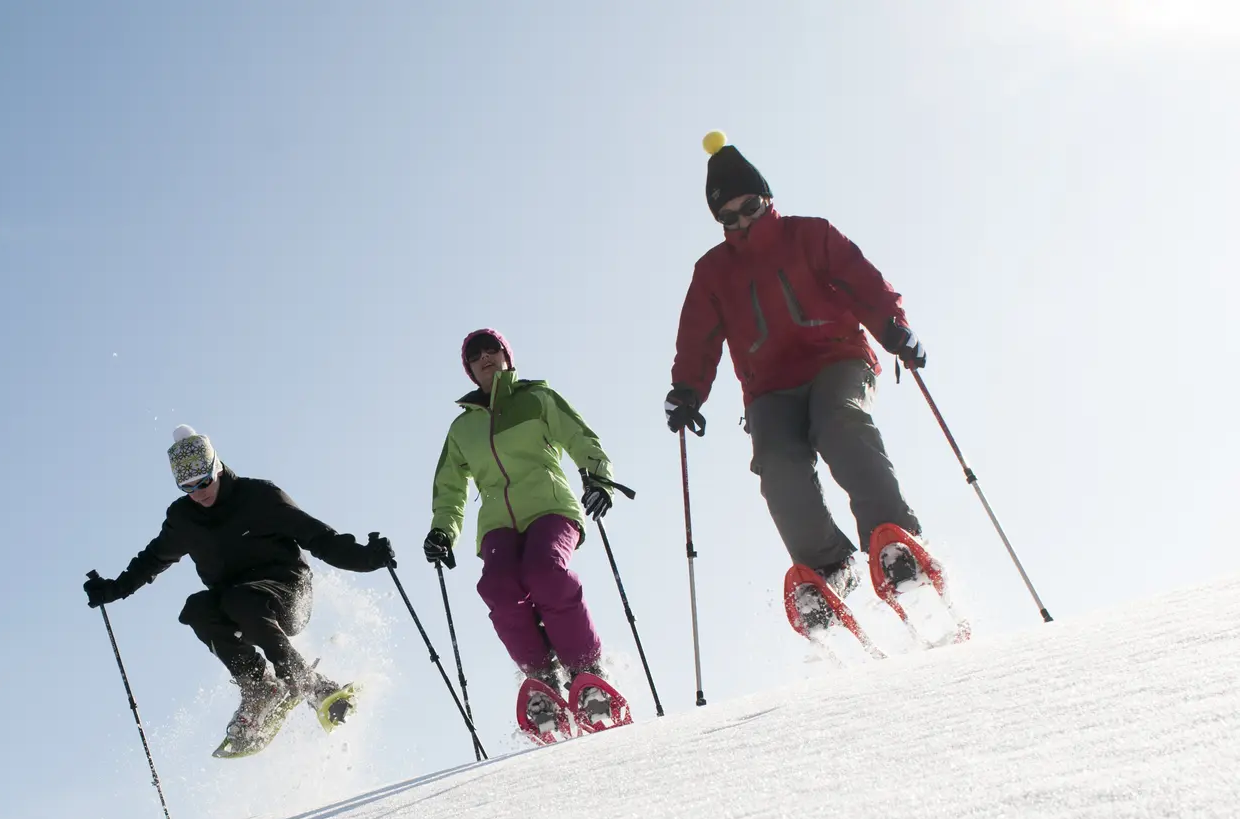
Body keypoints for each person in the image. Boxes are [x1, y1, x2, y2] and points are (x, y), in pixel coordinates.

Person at [664, 132, 935, 629]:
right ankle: (831, 569)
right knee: (776, 463)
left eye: (748, 206)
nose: (741, 220)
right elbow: (698, 340)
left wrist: (893, 326)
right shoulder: (712, 272)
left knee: (839, 422)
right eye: (728, 216)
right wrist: (686, 391)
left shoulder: (809, 234)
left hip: (837, 361)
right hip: (769, 389)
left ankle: (894, 540)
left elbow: (863, 281)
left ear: (766, 197)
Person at [84, 426, 394, 745]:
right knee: (197, 609)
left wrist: (365, 557)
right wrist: (113, 589)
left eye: (204, 481)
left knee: (240, 599)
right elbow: (151, 560)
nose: (199, 492)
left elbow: (318, 537)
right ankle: (260, 686)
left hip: (287, 593)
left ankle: (309, 683)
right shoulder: (184, 519)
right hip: (238, 602)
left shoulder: (259, 497)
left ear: (217, 466)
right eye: (188, 487)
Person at [425, 328, 622, 734]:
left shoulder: (537, 398)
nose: (485, 357)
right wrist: (443, 531)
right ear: (469, 369)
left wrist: (599, 480)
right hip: (498, 522)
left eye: (491, 349)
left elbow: (580, 437)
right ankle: (543, 680)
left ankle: (586, 670)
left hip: (550, 507)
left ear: (506, 356)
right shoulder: (462, 430)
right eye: (475, 354)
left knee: (544, 570)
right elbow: (450, 487)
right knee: (498, 586)